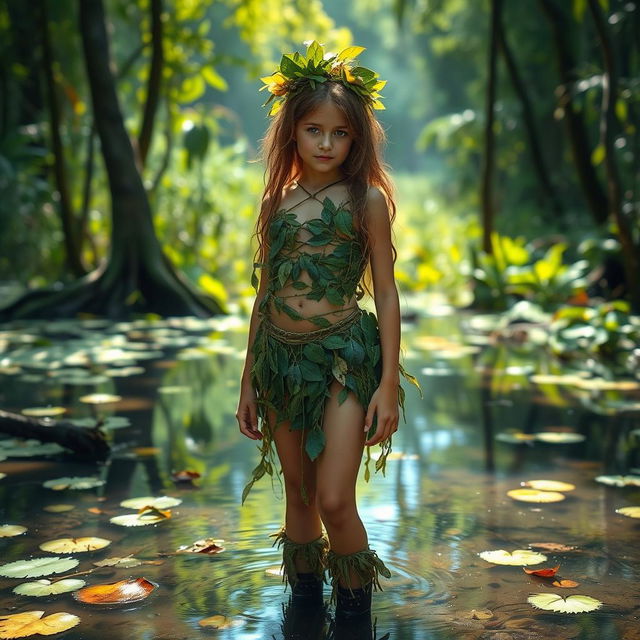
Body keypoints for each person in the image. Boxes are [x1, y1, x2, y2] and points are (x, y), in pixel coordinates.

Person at [236, 41, 419, 620]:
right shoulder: (277, 203)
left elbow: (386, 293)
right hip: (280, 361)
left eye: (339, 134)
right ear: (292, 131)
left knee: (336, 499)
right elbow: (264, 295)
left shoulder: (367, 200)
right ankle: (307, 615)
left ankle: (356, 618)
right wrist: (247, 381)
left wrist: (388, 385)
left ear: (356, 139)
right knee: (300, 493)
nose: (325, 143)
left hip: (343, 358)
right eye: (313, 130)